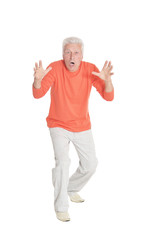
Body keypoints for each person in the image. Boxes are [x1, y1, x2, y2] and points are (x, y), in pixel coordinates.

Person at [32, 37, 114, 222]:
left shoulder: (90, 68)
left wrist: (107, 81)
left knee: (91, 164)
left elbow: (109, 97)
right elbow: (38, 94)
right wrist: (37, 80)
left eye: (76, 52)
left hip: (81, 125)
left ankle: (69, 187)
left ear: (82, 55)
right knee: (63, 163)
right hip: (58, 124)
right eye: (68, 52)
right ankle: (61, 206)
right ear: (63, 54)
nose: (72, 56)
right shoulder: (54, 67)